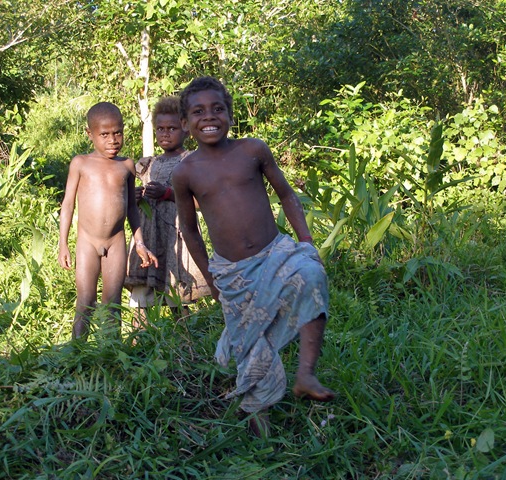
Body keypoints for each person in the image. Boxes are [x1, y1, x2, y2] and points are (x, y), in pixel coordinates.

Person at [172, 76, 335, 435]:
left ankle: (306, 374)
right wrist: (211, 279)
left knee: (311, 275)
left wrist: (306, 241)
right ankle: (258, 424)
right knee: (249, 345)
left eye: (218, 109)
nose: (209, 117)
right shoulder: (185, 173)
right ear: (185, 124)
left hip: (276, 252)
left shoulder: (252, 150)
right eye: (198, 112)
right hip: (232, 272)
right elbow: (190, 231)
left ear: (230, 115)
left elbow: (287, 194)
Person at [58, 102, 158, 340]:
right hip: (87, 242)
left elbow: (131, 208)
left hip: (115, 243)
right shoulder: (80, 163)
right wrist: (63, 244)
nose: (112, 140)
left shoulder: (126, 165)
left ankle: (111, 350)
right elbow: (68, 204)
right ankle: (77, 350)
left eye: (118, 133)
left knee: (112, 302)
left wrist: (140, 243)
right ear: (89, 134)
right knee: (86, 300)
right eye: (104, 134)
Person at [124, 97, 211, 326]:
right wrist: (134, 198)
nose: (165, 134)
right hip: (149, 236)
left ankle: (185, 342)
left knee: (178, 295)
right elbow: (127, 201)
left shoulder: (192, 161)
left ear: (186, 129)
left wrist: (169, 194)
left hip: (176, 236)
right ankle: (140, 340)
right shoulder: (146, 164)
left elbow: (203, 202)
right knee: (142, 296)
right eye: (160, 129)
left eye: (172, 129)